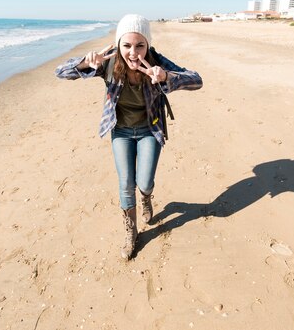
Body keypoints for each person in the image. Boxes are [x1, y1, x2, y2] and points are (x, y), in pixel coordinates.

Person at [55, 14, 203, 260]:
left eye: (140, 45)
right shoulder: (109, 62)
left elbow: (197, 80)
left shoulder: (156, 62)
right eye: (126, 45)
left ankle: (146, 198)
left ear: (148, 44)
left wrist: (166, 77)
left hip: (150, 129)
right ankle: (131, 231)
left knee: (144, 182)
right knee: (126, 184)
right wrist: (84, 63)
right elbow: (60, 72)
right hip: (121, 131)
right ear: (118, 44)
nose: (133, 53)